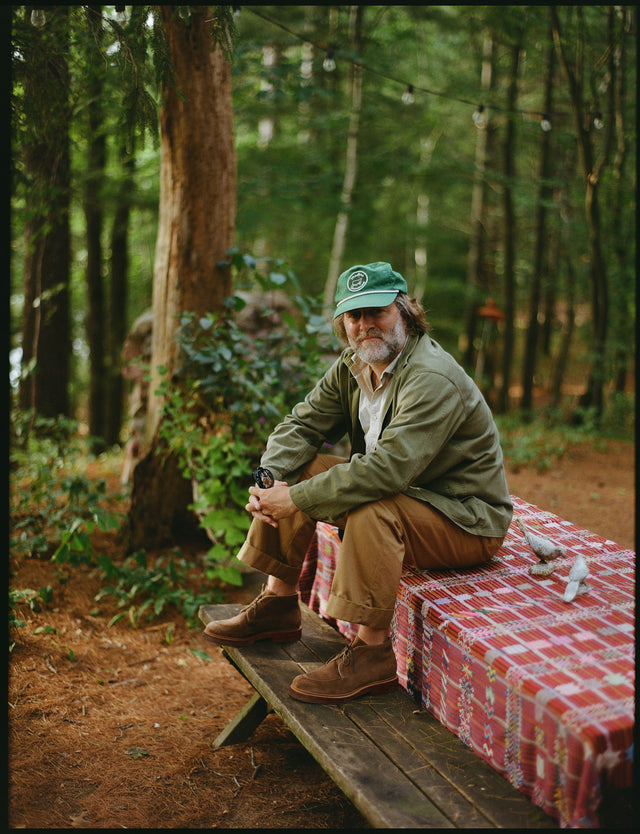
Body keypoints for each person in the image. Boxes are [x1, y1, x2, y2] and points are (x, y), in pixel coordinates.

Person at [203, 262, 513, 705]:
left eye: (377, 312)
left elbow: (387, 471)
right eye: (353, 315)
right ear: (343, 323)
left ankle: (371, 653)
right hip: (412, 496)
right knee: (300, 465)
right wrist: (268, 481)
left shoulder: (431, 376)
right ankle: (278, 603)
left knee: (372, 504)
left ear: (405, 311)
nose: (365, 325)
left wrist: (296, 500)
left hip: (464, 518)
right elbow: (300, 425)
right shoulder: (353, 367)